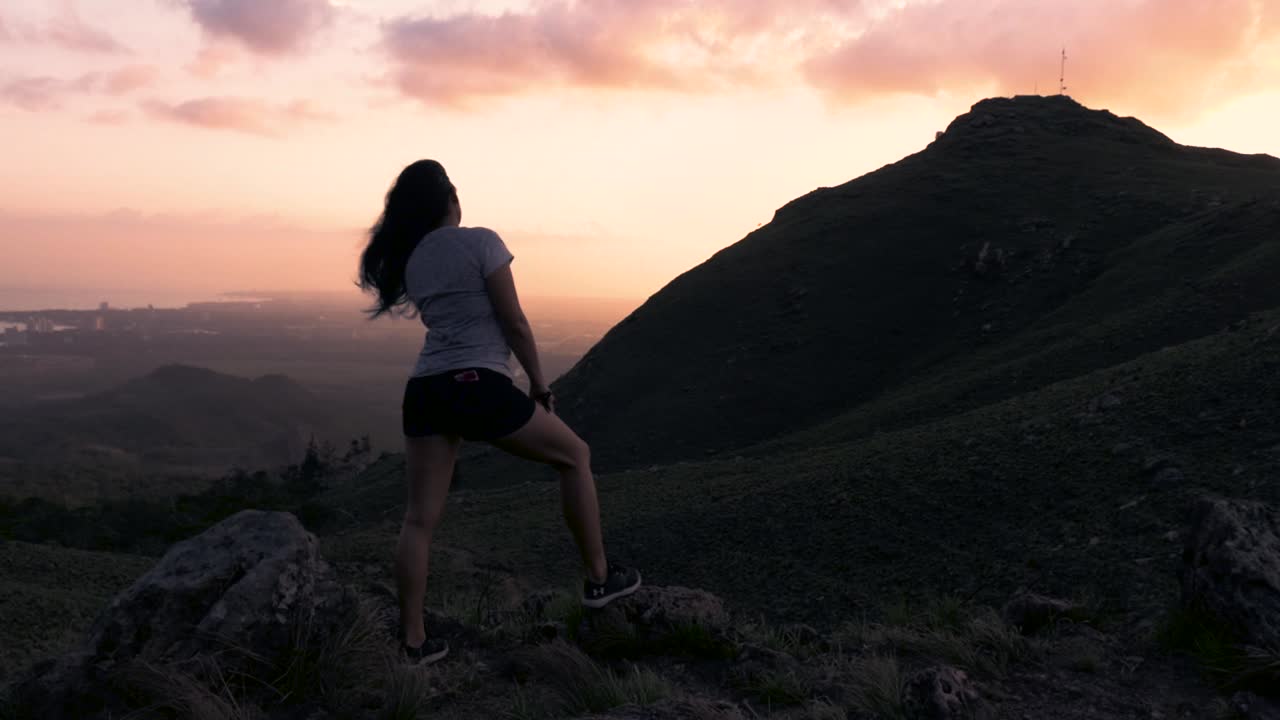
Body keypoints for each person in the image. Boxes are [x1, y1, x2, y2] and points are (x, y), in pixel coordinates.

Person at [358, 160, 641, 664]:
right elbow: (513, 321)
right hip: (477, 383)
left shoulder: (412, 260)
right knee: (574, 456)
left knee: (419, 519)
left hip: (425, 389)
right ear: (451, 200)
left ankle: (413, 642)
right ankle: (599, 578)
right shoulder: (481, 242)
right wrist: (537, 381)